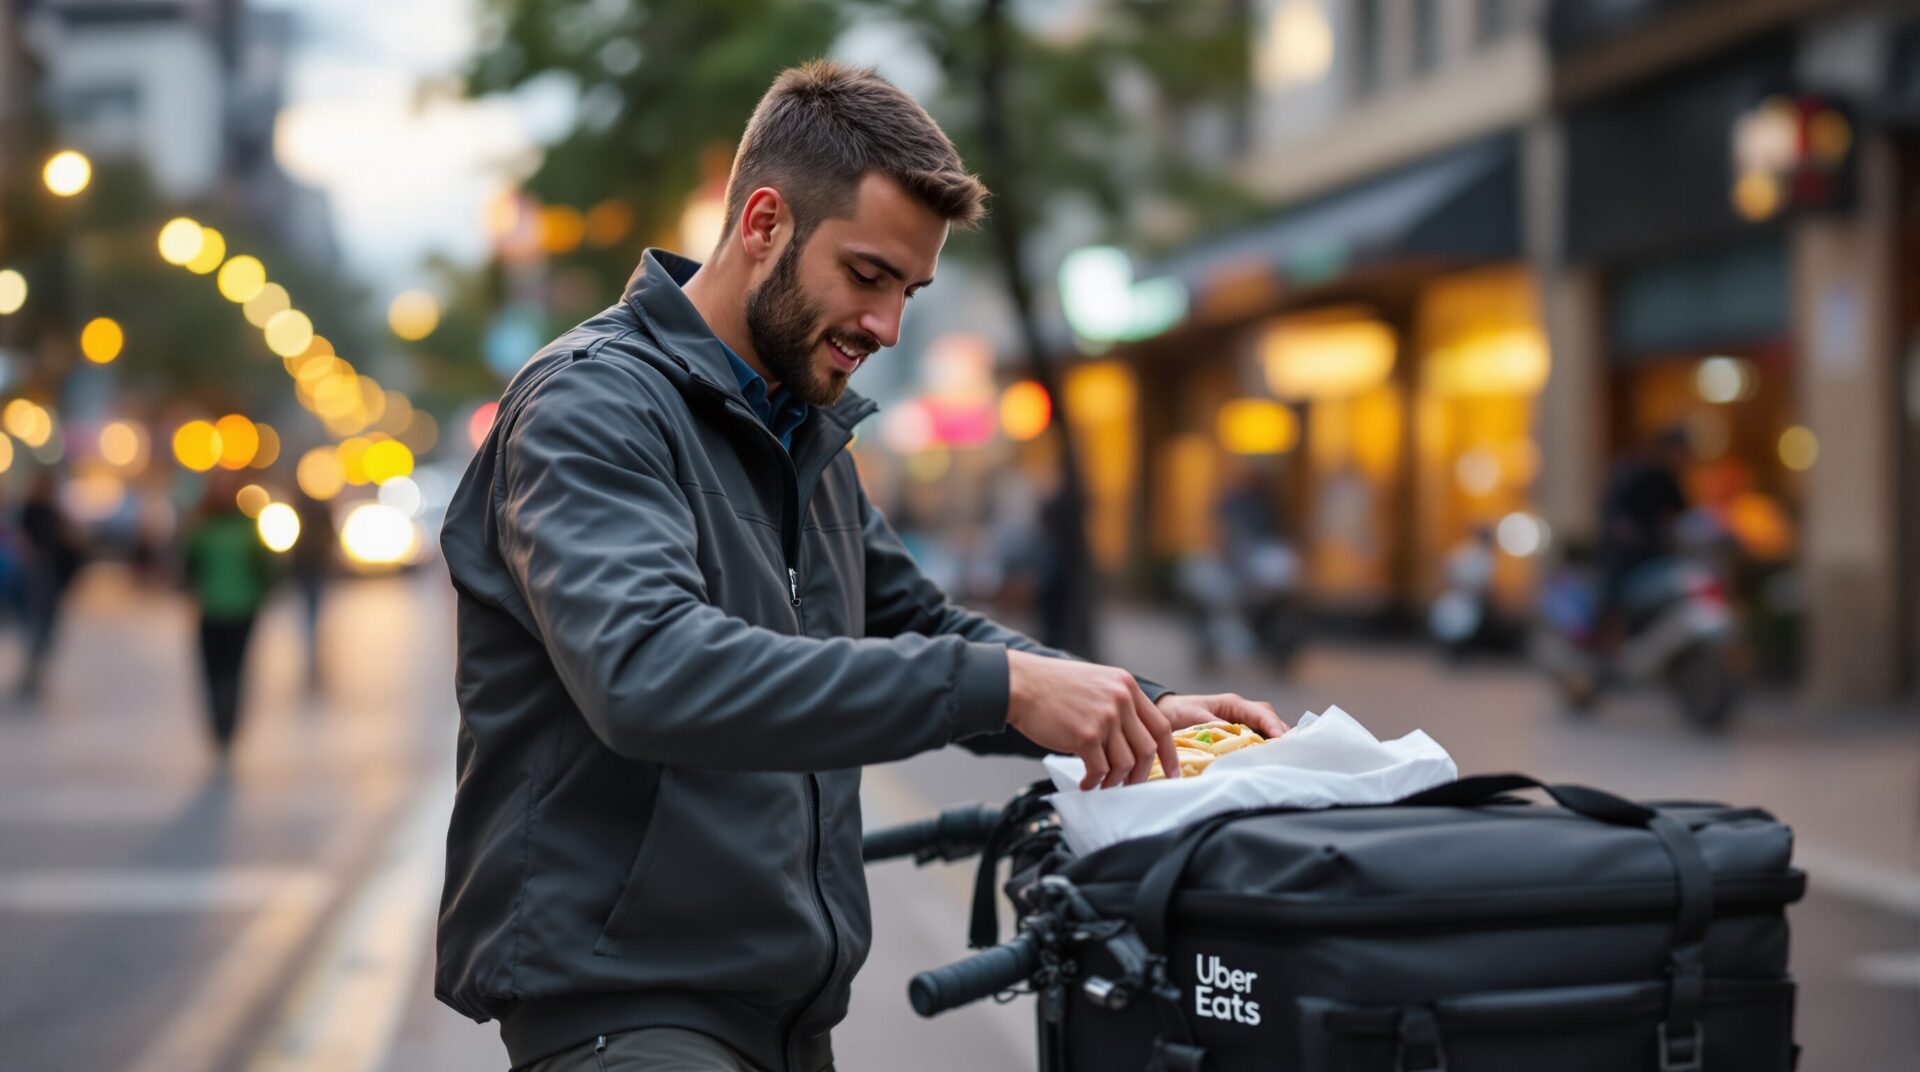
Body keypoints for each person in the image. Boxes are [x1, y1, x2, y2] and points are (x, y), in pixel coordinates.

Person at [436, 61, 1285, 1072]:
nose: (888, 326)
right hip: (629, 1017)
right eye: (868, 275)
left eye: (910, 290)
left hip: (783, 1019)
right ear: (761, 224)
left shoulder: (802, 430)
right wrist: (1006, 685)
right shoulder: (594, 406)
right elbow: (647, 670)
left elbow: (919, 624)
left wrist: (1138, 705)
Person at [182, 471, 277, 754]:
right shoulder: (202, 526)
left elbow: (265, 565)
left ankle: (228, 722)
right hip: (211, 608)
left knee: (234, 669)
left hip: (241, 609)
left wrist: (262, 591)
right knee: (213, 669)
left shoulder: (246, 527)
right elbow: (189, 565)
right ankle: (218, 721)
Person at [1596, 426, 1691, 648]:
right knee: (1615, 595)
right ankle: (1607, 647)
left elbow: (1682, 511)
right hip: (1626, 553)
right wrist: (1624, 529)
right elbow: (1612, 508)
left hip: (1655, 552)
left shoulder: (1668, 478)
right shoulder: (1636, 471)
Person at [15, 472, 83, 700]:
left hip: (52, 573)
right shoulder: (31, 510)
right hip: (38, 572)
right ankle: (31, 672)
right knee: (36, 624)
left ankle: (36, 670)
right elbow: (23, 540)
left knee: (47, 626)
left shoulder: (54, 513)